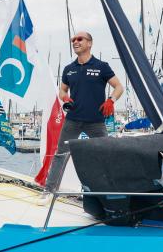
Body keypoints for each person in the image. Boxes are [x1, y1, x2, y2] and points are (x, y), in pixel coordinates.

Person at [38, 31, 124, 205]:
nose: (75, 41)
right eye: (73, 40)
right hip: (73, 120)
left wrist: (111, 100)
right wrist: (64, 97)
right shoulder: (69, 69)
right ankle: (48, 191)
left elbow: (119, 87)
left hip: (96, 122)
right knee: (60, 155)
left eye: (80, 39)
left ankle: (114, 192)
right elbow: (63, 90)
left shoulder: (102, 66)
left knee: (105, 156)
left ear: (89, 43)